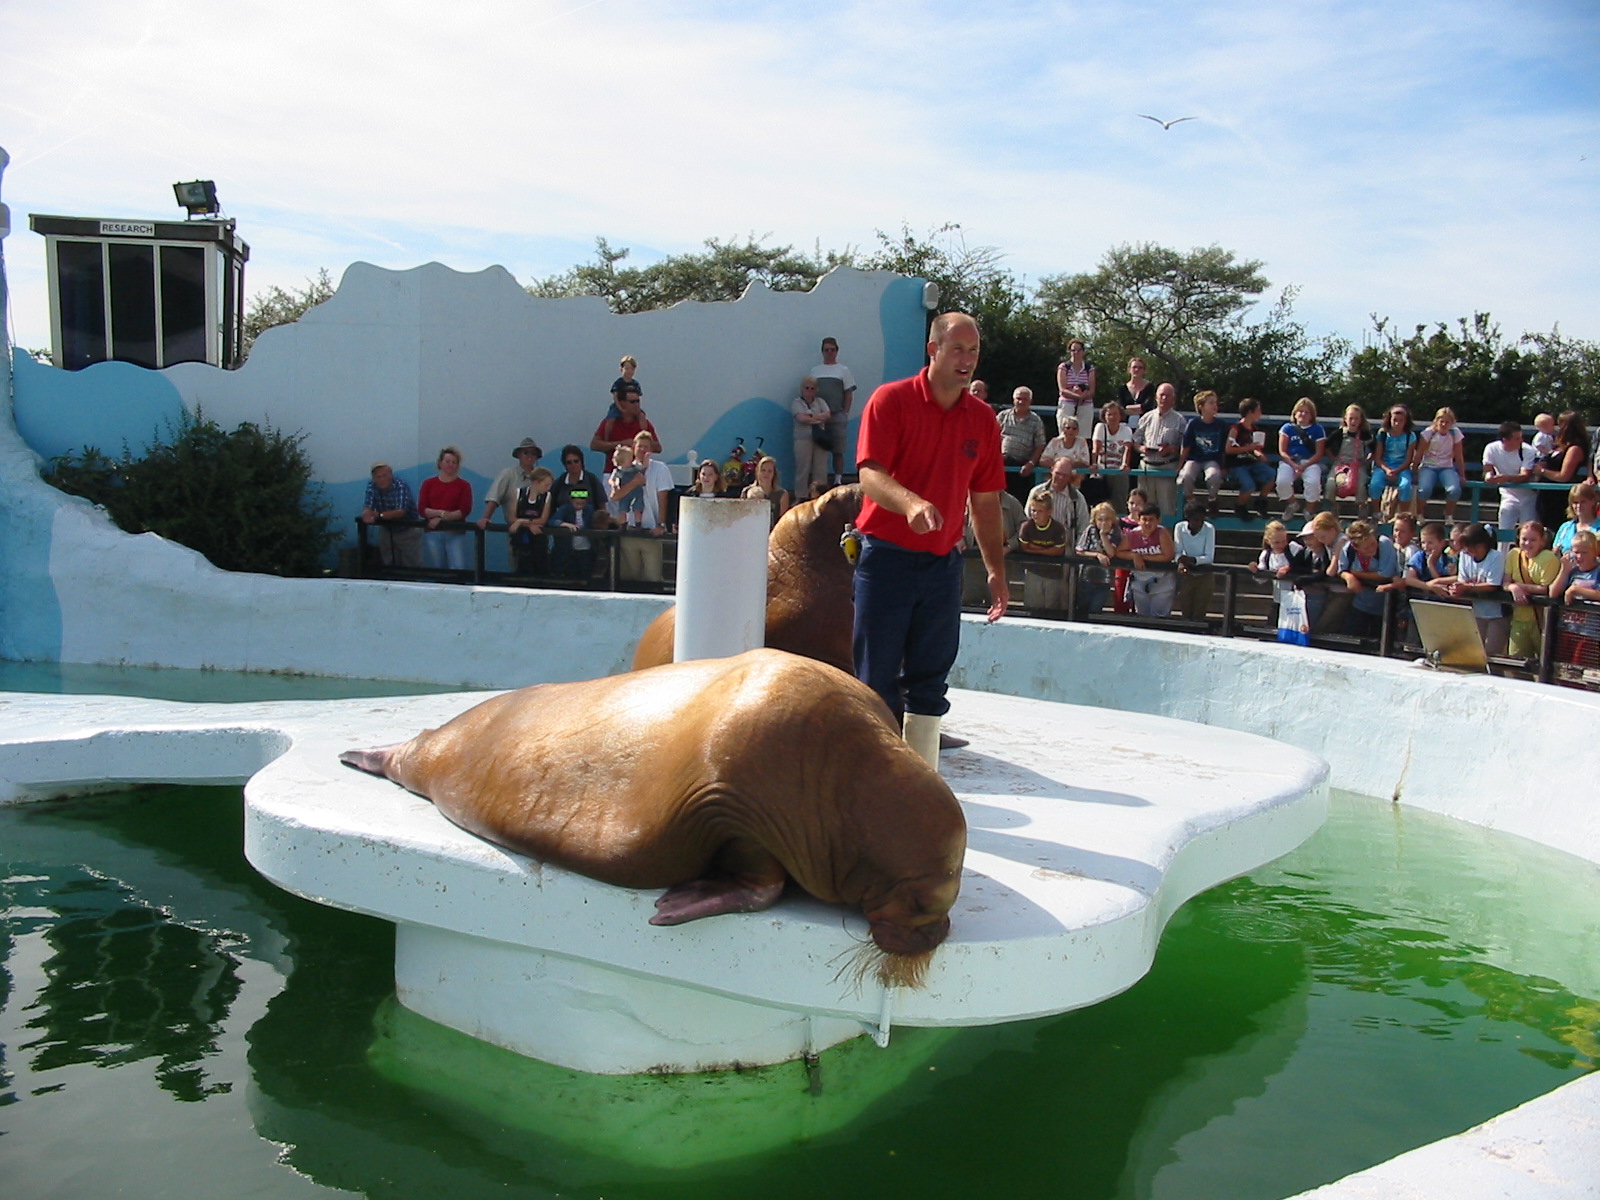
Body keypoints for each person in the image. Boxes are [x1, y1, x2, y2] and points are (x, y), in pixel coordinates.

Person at [851, 312, 1008, 767]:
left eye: (974, 350)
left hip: (942, 566)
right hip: (886, 560)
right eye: (957, 348)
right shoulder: (891, 400)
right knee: (875, 678)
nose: (967, 359)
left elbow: (985, 501)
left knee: (929, 681)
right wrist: (910, 503)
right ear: (933, 350)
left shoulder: (981, 419)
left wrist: (996, 570)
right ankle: (871, 773)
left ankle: (918, 775)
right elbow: (869, 474)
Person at [1441, 523, 1509, 656]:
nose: (1470, 550)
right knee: (1474, 653)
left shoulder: (1496, 556)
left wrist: (1467, 587)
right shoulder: (1465, 556)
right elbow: (1462, 579)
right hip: (1476, 612)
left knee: (1492, 655)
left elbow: (1492, 585)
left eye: (1474, 546)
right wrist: (1457, 587)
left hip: (1497, 614)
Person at [617, 431, 675, 584]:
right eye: (640, 446)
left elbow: (663, 499)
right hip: (629, 530)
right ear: (633, 447)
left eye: (646, 447)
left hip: (650, 531)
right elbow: (614, 496)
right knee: (628, 577)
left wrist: (661, 524)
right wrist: (634, 482)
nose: (643, 450)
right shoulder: (623, 469)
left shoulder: (660, 468)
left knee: (652, 578)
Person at [1335, 519, 1403, 639]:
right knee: (1349, 640)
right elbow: (1342, 570)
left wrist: (1356, 573)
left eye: (1372, 543)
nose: (1372, 548)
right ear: (1356, 547)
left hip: (1384, 607)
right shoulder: (1348, 549)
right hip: (1360, 604)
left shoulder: (1384, 544)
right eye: (1366, 548)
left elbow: (1385, 574)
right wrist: (1349, 577)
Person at [1504, 521, 1560, 660]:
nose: (1527, 543)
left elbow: (1547, 589)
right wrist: (1513, 587)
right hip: (1518, 619)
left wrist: (1521, 586)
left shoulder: (1548, 558)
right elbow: (1505, 582)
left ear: (1542, 541)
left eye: (1533, 540)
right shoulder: (1513, 555)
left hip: (1542, 621)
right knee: (1516, 663)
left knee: (1546, 664)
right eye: (1524, 539)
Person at [1009, 491, 1068, 613]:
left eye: (1039, 511)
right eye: (1033, 510)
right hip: (1033, 572)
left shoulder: (1058, 528)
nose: (1035, 514)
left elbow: (1058, 550)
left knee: (1052, 610)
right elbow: (1025, 547)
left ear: (1049, 511)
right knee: (1032, 608)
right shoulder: (1026, 527)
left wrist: (1035, 549)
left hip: (1054, 574)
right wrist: (1047, 550)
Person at [1114, 504, 1176, 617]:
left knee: (1159, 617)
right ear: (1139, 520)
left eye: (1151, 520)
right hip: (1140, 581)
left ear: (1158, 520)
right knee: (1142, 617)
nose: (1147, 523)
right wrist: (1134, 556)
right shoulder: (1132, 534)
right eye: (1144, 519)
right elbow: (1119, 552)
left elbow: (1168, 556)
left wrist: (1142, 557)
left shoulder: (1162, 533)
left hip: (1161, 581)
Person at [1552, 531, 1600, 673]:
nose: (1579, 557)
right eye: (1576, 552)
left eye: (1584, 553)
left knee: (1580, 672)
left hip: (1588, 633)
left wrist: (1575, 590)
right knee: (1562, 671)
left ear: (1594, 552)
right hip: (1568, 629)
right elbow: (1553, 593)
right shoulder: (1573, 572)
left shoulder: (1597, 572)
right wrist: (1564, 571)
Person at [360, 460, 423, 568]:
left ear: (391, 475)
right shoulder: (372, 485)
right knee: (389, 564)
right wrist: (366, 513)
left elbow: (401, 511)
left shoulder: (400, 485)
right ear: (374, 478)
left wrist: (379, 515)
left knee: (412, 565)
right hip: (387, 530)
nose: (381, 479)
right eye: (378, 477)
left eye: (384, 475)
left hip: (408, 530)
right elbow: (368, 504)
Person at [1134, 382, 1184, 519]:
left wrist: (1171, 449)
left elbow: (1185, 447)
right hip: (1146, 469)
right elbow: (1135, 440)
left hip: (1166, 469)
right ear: (1156, 397)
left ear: (1173, 399)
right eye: (1161, 395)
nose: (1164, 398)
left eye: (1167, 396)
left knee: (1167, 511)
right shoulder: (1146, 417)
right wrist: (1141, 448)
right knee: (1144, 511)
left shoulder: (1180, 421)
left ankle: (1166, 540)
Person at [418, 446, 472, 571]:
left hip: (455, 533)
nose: (450, 465)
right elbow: (422, 508)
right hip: (433, 533)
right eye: (447, 461)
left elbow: (464, 510)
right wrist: (441, 514)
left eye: (454, 462)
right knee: (439, 569)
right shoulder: (428, 484)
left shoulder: (464, 485)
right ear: (440, 463)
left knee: (458, 567)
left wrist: (440, 518)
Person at [812, 336, 857, 485]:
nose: (829, 352)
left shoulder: (843, 370)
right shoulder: (815, 371)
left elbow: (848, 393)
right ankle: (820, 480)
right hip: (820, 417)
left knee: (838, 449)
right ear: (822, 352)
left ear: (837, 351)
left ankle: (838, 479)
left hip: (837, 415)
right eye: (826, 350)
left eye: (832, 350)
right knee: (820, 450)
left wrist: (845, 412)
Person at [1538, 411, 1593, 533]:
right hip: (1547, 496)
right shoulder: (1559, 445)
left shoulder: (1575, 448)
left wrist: (1542, 471)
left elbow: (1564, 476)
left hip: (1559, 498)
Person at [478, 437, 545, 534]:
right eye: (526, 452)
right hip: (516, 530)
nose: (530, 456)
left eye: (533, 453)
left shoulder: (542, 477)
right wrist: (486, 518)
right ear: (519, 455)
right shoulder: (508, 474)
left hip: (538, 530)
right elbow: (494, 498)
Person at [1482, 420, 1539, 533]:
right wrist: (1488, 477)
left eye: (1521, 437)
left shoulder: (1528, 451)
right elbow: (1487, 469)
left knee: (1528, 530)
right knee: (1504, 528)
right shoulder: (1491, 448)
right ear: (1505, 440)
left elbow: (1525, 475)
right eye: (1517, 438)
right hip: (1507, 495)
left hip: (1529, 497)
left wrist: (1506, 478)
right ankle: (1502, 550)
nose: (1521, 441)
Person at [1276, 397, 1328, 520]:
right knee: (1282, 481)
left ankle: (1309, 510)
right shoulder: (1287, 428)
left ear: (1312, 415)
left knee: (1313, 482)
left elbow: (1319, 453)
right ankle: (1292, 504)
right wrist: (1294, 465)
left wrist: (1303, 466)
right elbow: (1282, 451)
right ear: (1295, 413)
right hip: (1290, 461)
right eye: (1300, 411)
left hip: (1310, 461)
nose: (1303, 414)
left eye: (1307, 412)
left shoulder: (1317, 429)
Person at [1177, 389, 1227, 514]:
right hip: (1195, 458)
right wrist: (1180, 464)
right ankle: (1192, 501)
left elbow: (1224, 449)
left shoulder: (1221, 425)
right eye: (1211, 403)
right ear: (1201, 407)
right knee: (1185, 476)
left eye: (1215, 403)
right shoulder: (1193, 424)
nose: (1215, 406)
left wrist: (1224, 466)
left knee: (1214, 476)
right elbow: (1186, 446)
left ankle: (1212, 499)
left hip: (1212, 459)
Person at [1254, 520, 1314, 620]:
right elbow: (1261, 579)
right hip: (1278, 598)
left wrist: (1290, 569)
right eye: (1277, 542)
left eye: (1284, 541)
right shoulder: (1266, 555)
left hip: (1297, 597)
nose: (1281, 545)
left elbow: (1306, 565)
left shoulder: (1294, 548)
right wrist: (1256, 571)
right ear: (1268, 541)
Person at [590, 384, 660, 471]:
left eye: (638, 401)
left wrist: (639, 445)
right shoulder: (610, 422)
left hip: (638, 472)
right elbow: (594, 445)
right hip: (613, 472)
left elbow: (658, 447)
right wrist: (620, 444)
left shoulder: (643, 423)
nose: (636, 405)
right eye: (632, 402)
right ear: (621, 403)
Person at [1414, 406, 1466, 522]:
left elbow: (1459, 455)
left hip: (1446, 467)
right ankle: (1419, 513)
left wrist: (1462, 475)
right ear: (1436, 421)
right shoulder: (1428, 433)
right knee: (1424, 489)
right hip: (1428, 466)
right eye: (1441, 421)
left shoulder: (1455, 433)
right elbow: (1419, 453)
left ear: (1452, 423)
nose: (1444, 424)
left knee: (1454, 490)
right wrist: (1414, 471)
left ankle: (1448, 514)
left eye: (1447, 422)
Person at [1227, 397, 1276, 521]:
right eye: (1258, 410)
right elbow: (1228, 449)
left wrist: (1258, 453)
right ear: (1250, 412)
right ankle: (1240, 506)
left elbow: (1254, 448)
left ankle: (1261, 502)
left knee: (1271, 475)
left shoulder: (1254, 429)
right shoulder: (1236, 429)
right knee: (1249, 485)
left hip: (1251, 462)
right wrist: (1248, 448)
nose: (1260, 414)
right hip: (1237, 464)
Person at [1028, 458, 1092, 550]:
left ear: (1070, 475)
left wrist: (1078, 550)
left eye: (1065, 475)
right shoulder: (1036, 492)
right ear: (1051, 470)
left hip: (1066, 550)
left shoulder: (1077, 498)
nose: (1061, 478)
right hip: (1038, 547)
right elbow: (1028, 518)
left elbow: (1083, 527)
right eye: (1058, 473)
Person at [1370, 404, 1420, 520]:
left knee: (1406, 486)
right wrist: (1387, 470)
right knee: (1375, 484)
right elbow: (1378, 457)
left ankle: (1403, 515)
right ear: (1389, 419)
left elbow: (1408, 459)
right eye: (1395, 420)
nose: (1397, 423)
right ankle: (1377, 512)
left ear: (1406, 421)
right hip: (1383, 466)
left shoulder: (1410, 436)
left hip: (1402, 467)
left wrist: (1396, 471)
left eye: (1401, 421)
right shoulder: (1382, 434)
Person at [998, 386, 1048, 502]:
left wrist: (1031, 463)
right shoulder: (1002, 416)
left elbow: (1040, 444)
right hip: (1001, 463)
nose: (1021, 402)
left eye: (1024, 399)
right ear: (1013, 400)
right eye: (1018, 398)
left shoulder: (1036, 420)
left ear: (1030, 401)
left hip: (1022, 466)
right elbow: (990, 437)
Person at [1075, 502, 1123, 618]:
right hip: (1086, 578)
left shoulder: (1116, 531)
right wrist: (1097, 555)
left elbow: (1111, 553)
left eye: (1107, 519)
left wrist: (1103, 535)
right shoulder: (1090, 529)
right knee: (1081, 611)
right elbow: (1080, 550)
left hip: (1104, 580)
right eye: (1100, 519)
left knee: (1095, 612)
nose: (1103, 522)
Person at [1323, 405, 1371, 518]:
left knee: (1361, 485)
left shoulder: (1365, 434)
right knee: (1330, 484)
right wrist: (1332, 457)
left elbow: (1375, 449)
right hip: (1340, 464)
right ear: (1345, 419)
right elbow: (1325, 445)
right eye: (1351, 418)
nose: (1353, 421)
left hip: (1358, 465)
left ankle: (1362, 507)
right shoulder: (1339, 433)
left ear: (1361, 420)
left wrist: (1367, 460)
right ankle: (1334, 506)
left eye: (1356, 419)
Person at [1173, 499, 1216, 622]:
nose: (1199, 523)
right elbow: (1178, 552)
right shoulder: (1179, 528)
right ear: (1187, 518)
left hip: (1205, 575)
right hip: (1186, 575)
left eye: (1202, 520)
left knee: (1199, 613)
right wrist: (1181, 562)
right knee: (1186, 611)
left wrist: (1190, 560)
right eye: (1195, 520)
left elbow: (1209, 557)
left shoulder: (1209, 528)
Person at [508, 466, 555, 575]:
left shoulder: (547, 496)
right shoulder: (518, 493)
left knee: (540, 566)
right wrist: (528, 524)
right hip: (520, 539)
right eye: (546, 485)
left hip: (538, 539)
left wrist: (520, 521)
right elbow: (512, 517)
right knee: (521, 565)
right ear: (536, 482)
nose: (548, 488)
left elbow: (542, 520)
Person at [791, 376, 831, 501]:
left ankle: (819, 496)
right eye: (806, 388)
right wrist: (817, 419)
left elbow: (827, 414)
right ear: (802, 389)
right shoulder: (797, 402)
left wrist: (810, 417)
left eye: (812, 388)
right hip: (803, 439)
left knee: (820, 468)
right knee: (803, 468)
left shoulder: (820, 402)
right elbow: (800, 418)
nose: (809, 390)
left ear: (816, 390)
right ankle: (801, 496)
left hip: (820, 439)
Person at [1090, 400, 1135, 513]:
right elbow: (1096, 447)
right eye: (1109, 414)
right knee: (1100, 506)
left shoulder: (1126, 430)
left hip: (1118, 471)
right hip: (1102, 471)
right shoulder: (1100, 427)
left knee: (1119, 505)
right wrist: (1094, 463)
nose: (1112, 417)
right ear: (1104, 416)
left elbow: (1127, 449)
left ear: (1120, 415)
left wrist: (1125, 463)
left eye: (1115, 414)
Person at [552, 486, 598, 582]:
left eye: (582, 503)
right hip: (570, 549)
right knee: (571, 574)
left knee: (586, 574)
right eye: (577, 503)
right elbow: (553, 521)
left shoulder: (589, 510)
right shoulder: (564, 509)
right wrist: (564, 524)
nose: (580, 506)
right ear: (571, 500)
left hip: (586, 548)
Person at [1403, 520, 1456, 596]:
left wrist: (1431, 564)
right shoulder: (1419, 557)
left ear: (1442, 543)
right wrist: (1428, 586)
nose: (1426, 547)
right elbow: (1409, 579)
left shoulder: (1449, 560)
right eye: (1423, 542)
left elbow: (1444, 583)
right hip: (1422, 599)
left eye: (1430, 543)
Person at [1056, 338, 1097, 433]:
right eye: (1073, 350)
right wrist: (1078, 396)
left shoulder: (1089, 368)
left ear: (1083, 351)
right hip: (1067, 403)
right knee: (1064, 432)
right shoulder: (1063, 367)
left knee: (1083, 435)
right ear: (1069, 351)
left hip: (1085, 404)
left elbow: (1092, 390)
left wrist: (1083, 396)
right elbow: (1062, 389)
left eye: (1079, 350)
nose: (1076, 353)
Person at [742, 455, 792, 528]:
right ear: (758, 472)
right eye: (763, 470)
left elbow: (782, 522)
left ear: (774, 473)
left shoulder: (782, 494)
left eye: (769, 471)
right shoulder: (746, 491)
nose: (766, 474)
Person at [1040, 415, 1091, 487]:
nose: (1071, 430)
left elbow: (1085, 463)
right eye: (1068, 428)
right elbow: (1042, 461)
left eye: (1074, 428)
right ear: (1063, 429)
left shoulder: (1082, 442)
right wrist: (1059, 466)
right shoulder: (1055, 441)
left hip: (1074, 481)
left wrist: (1067, 465)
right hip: (1053, 479)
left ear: (1078, 431)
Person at [608, 444, 649, 527]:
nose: (632, 460)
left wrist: (646, 458)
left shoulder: (634, 467)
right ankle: (623, 524)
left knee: (637, 508)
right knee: (623, 509)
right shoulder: (619, 471)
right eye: (629, 458)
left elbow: (643, 466)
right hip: (625, 493)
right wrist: (614, 485)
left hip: (636, 492)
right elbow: (612, 479)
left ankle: (638, 523)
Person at [1553, 482, 1600, 554]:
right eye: (1575, 502)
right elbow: (1555, 552)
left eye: (1583, 502)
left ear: (1593, 501)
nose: (1579, 506)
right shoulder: (1565, 527)